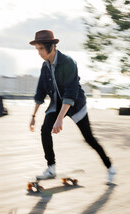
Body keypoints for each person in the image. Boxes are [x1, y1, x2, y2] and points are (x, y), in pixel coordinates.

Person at [29, 30, 116, 184]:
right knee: (44, 131)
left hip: (75, 105)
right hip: (56, 104)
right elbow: (40, 92)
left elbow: (71, 92)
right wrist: (33, 116)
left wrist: (60, 119)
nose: (39, 53)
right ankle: (51, 168)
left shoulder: (68, 63)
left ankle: (110, 167)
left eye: (41, 48)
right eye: (37, 49)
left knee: (89, 138)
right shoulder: (45, 66)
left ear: (52, 47)